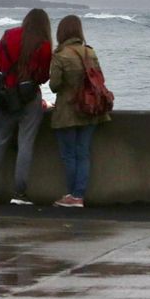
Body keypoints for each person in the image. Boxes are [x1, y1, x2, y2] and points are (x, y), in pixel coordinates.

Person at [0, 8, 52, 206]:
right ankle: (19, 193)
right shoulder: (44, 45)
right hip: (29, 98)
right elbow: (44, 76)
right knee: (25, 143)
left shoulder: (8, 35)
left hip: (5, 96)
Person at [48, 15, 111, 208]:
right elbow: (100, 79)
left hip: (67, 111)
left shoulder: (60, 55)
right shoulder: (90, 53)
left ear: (62, 32)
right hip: (91, 109)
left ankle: (72, 196)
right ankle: (79, 196)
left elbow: (54, 85)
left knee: (69, 154)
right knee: (83, 153)